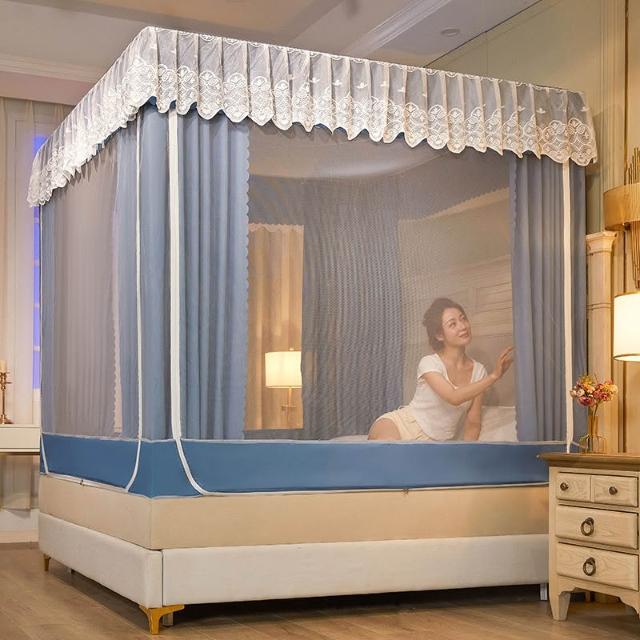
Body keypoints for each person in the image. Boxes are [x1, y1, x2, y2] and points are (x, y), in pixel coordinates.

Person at [368, 297, 513, 441]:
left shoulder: (479, 372)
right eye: (453, 324)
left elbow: (473, 422)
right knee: (391, 450)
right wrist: (494, 376)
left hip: (435, 443)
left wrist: (467, 453)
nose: (463, 326)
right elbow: (454, 397)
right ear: (439, 335)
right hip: (400, 426)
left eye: (463, 319)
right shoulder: (429, 363)